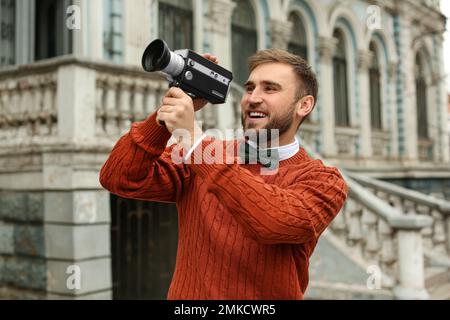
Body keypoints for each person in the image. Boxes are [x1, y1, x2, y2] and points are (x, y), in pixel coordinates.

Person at [99, 49, 348, 300]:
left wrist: (195, 142)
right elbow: (118, 176)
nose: (253, 98)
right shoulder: (206, 155)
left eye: (270, 89)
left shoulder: (324, 181)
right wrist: (163, 120)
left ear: (304, 105)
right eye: (250, 88)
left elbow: (272, 222)